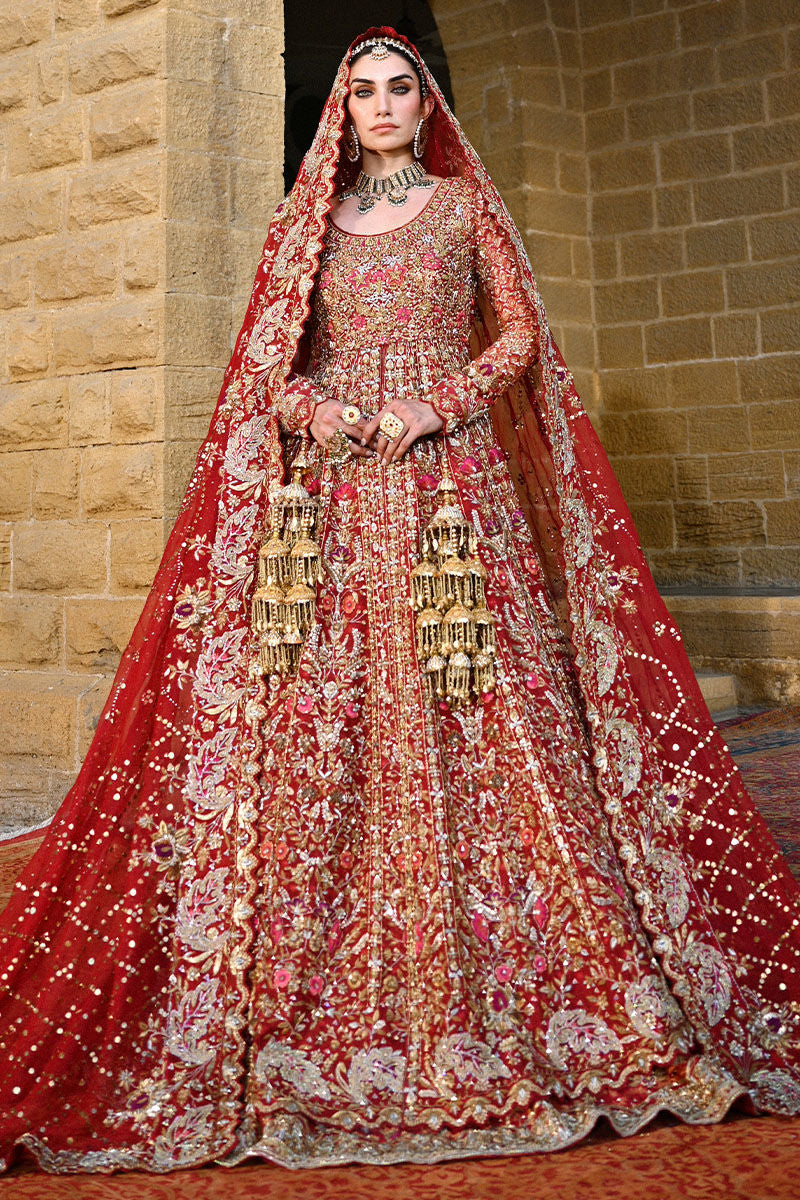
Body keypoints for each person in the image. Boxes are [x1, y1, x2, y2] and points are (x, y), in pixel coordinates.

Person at [0, 25, 798, 1176]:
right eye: (361, 90)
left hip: (447, 502)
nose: (380, 105)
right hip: (328, 508)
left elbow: (518, 335)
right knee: (329, 714)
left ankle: (522, 978)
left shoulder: (465, 214)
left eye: (399, 88)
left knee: (482, 708)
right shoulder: (306, 227)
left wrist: (435, 404)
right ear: (340, 110)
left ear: (428, 106)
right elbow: (271, 365)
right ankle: (308, 986)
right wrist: (312, 412)